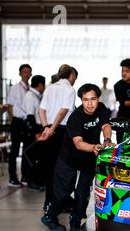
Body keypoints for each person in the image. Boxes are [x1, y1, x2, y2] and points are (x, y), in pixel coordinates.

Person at [41, 83, 114, 231]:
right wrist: (94, 147)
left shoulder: (101, 108)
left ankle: (75, 221)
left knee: (82, 193)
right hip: (69, 158)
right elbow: (78, 143)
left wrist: (107, 140)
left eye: (93, 99)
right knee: (62, 192)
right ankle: (50, 216)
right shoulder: (75, 117)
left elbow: (106, 125)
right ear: (81, 100)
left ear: (98, 98)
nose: (90, 103)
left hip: (87, 160)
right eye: (85, 99)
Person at [38, 64, 77, 214]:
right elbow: (63, 111)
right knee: (63, 170)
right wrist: (53, 129)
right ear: (71, 76)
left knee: (50, 169)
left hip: (48, 129)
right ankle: (60, 202)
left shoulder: (50, 87)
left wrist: (45, 128)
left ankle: (48, 203)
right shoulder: (70, 89)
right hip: (61, 131)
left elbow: (42, 109)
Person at [6, 64, 32, 187]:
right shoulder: (15, 88)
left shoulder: (31, 89)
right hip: (17, 121)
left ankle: (25, 177)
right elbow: (10, 106)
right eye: (24, 71)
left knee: (27, 150)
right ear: (20, 73)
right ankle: (12, 177)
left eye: (28, 72)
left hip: (27, 122)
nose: (27, 74)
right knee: (15, 150)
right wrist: (11, 120)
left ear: (31, 74)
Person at [23, 75, 45, 191]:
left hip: (36, 127)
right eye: (43, 85)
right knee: (32, 157)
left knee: (37, 157)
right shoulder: (30, 96)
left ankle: (36, 181)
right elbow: (30, 115)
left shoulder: (36, 96)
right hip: (32, 129)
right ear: (40, 85)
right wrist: (36, 132)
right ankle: (31, 182)